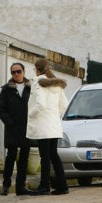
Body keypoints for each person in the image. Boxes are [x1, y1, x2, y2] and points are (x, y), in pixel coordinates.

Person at [27, 57, 69, 195]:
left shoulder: (38, 82)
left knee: (44, 157)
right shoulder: (57, 84)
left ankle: (44, 186)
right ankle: (62, 186)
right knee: (53, 156)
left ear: (37, 69)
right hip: (54, 125)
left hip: (43, 125)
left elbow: (40, 105)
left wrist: (30, 115)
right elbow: (64, 105)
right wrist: (54, 117)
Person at [0, 62, 33, 196]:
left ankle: (21, 186)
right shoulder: (7, 89)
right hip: (12, 129)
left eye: (19, 71)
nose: (16, 74)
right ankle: (6, 185)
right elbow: (0, 109)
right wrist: (9, 122)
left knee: (24, 158)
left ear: (23, 71)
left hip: (27, 129)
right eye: (13, 72)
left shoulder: (31, 88)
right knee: (11, 157)